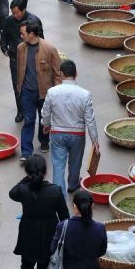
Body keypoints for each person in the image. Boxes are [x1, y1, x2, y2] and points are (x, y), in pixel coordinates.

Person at [10, 155, 69, 269]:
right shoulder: (55, 191)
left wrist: (25, 179)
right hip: (48, 236)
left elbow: (11, 193)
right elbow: (65, 217)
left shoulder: (23, 190)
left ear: (28, 172)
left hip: (28, 233)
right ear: (45, 171)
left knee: (27, 266)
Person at [42, 59, 99, 197]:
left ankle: (59, 194)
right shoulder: (85, 94)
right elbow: (90, 119)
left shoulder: (52, 92)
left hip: (57, 133)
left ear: (61, 74)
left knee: (58, 165)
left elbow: (45, 112)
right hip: (77, 135)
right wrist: (95, 140)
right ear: (76, 73)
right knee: (75, 162)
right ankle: (73, 185)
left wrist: (46, 125)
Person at [17, 21, 61, 160]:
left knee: (44, 120)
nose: (21, 36)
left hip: (45, 92)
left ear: (31, 34)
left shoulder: (49, 49)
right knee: (29, 120)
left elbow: (58, 72)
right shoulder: (21, 48)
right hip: (27, 92)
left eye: (23, 33)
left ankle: (44, 141)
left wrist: (56, 91)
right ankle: (26, 152)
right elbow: (19, 68)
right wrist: (20, 87)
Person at [1, 0, 43, 123]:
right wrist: (5, 49)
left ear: (23, 10)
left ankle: (35, 108)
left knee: (34, 83)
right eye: (13, 13)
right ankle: (21, 110)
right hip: (15, 58)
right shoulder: (9, 21)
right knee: (17, 85)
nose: (15, 15)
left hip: (32, 57)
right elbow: (4, 37)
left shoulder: (34, 21)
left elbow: (41, 39)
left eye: (17, 12)